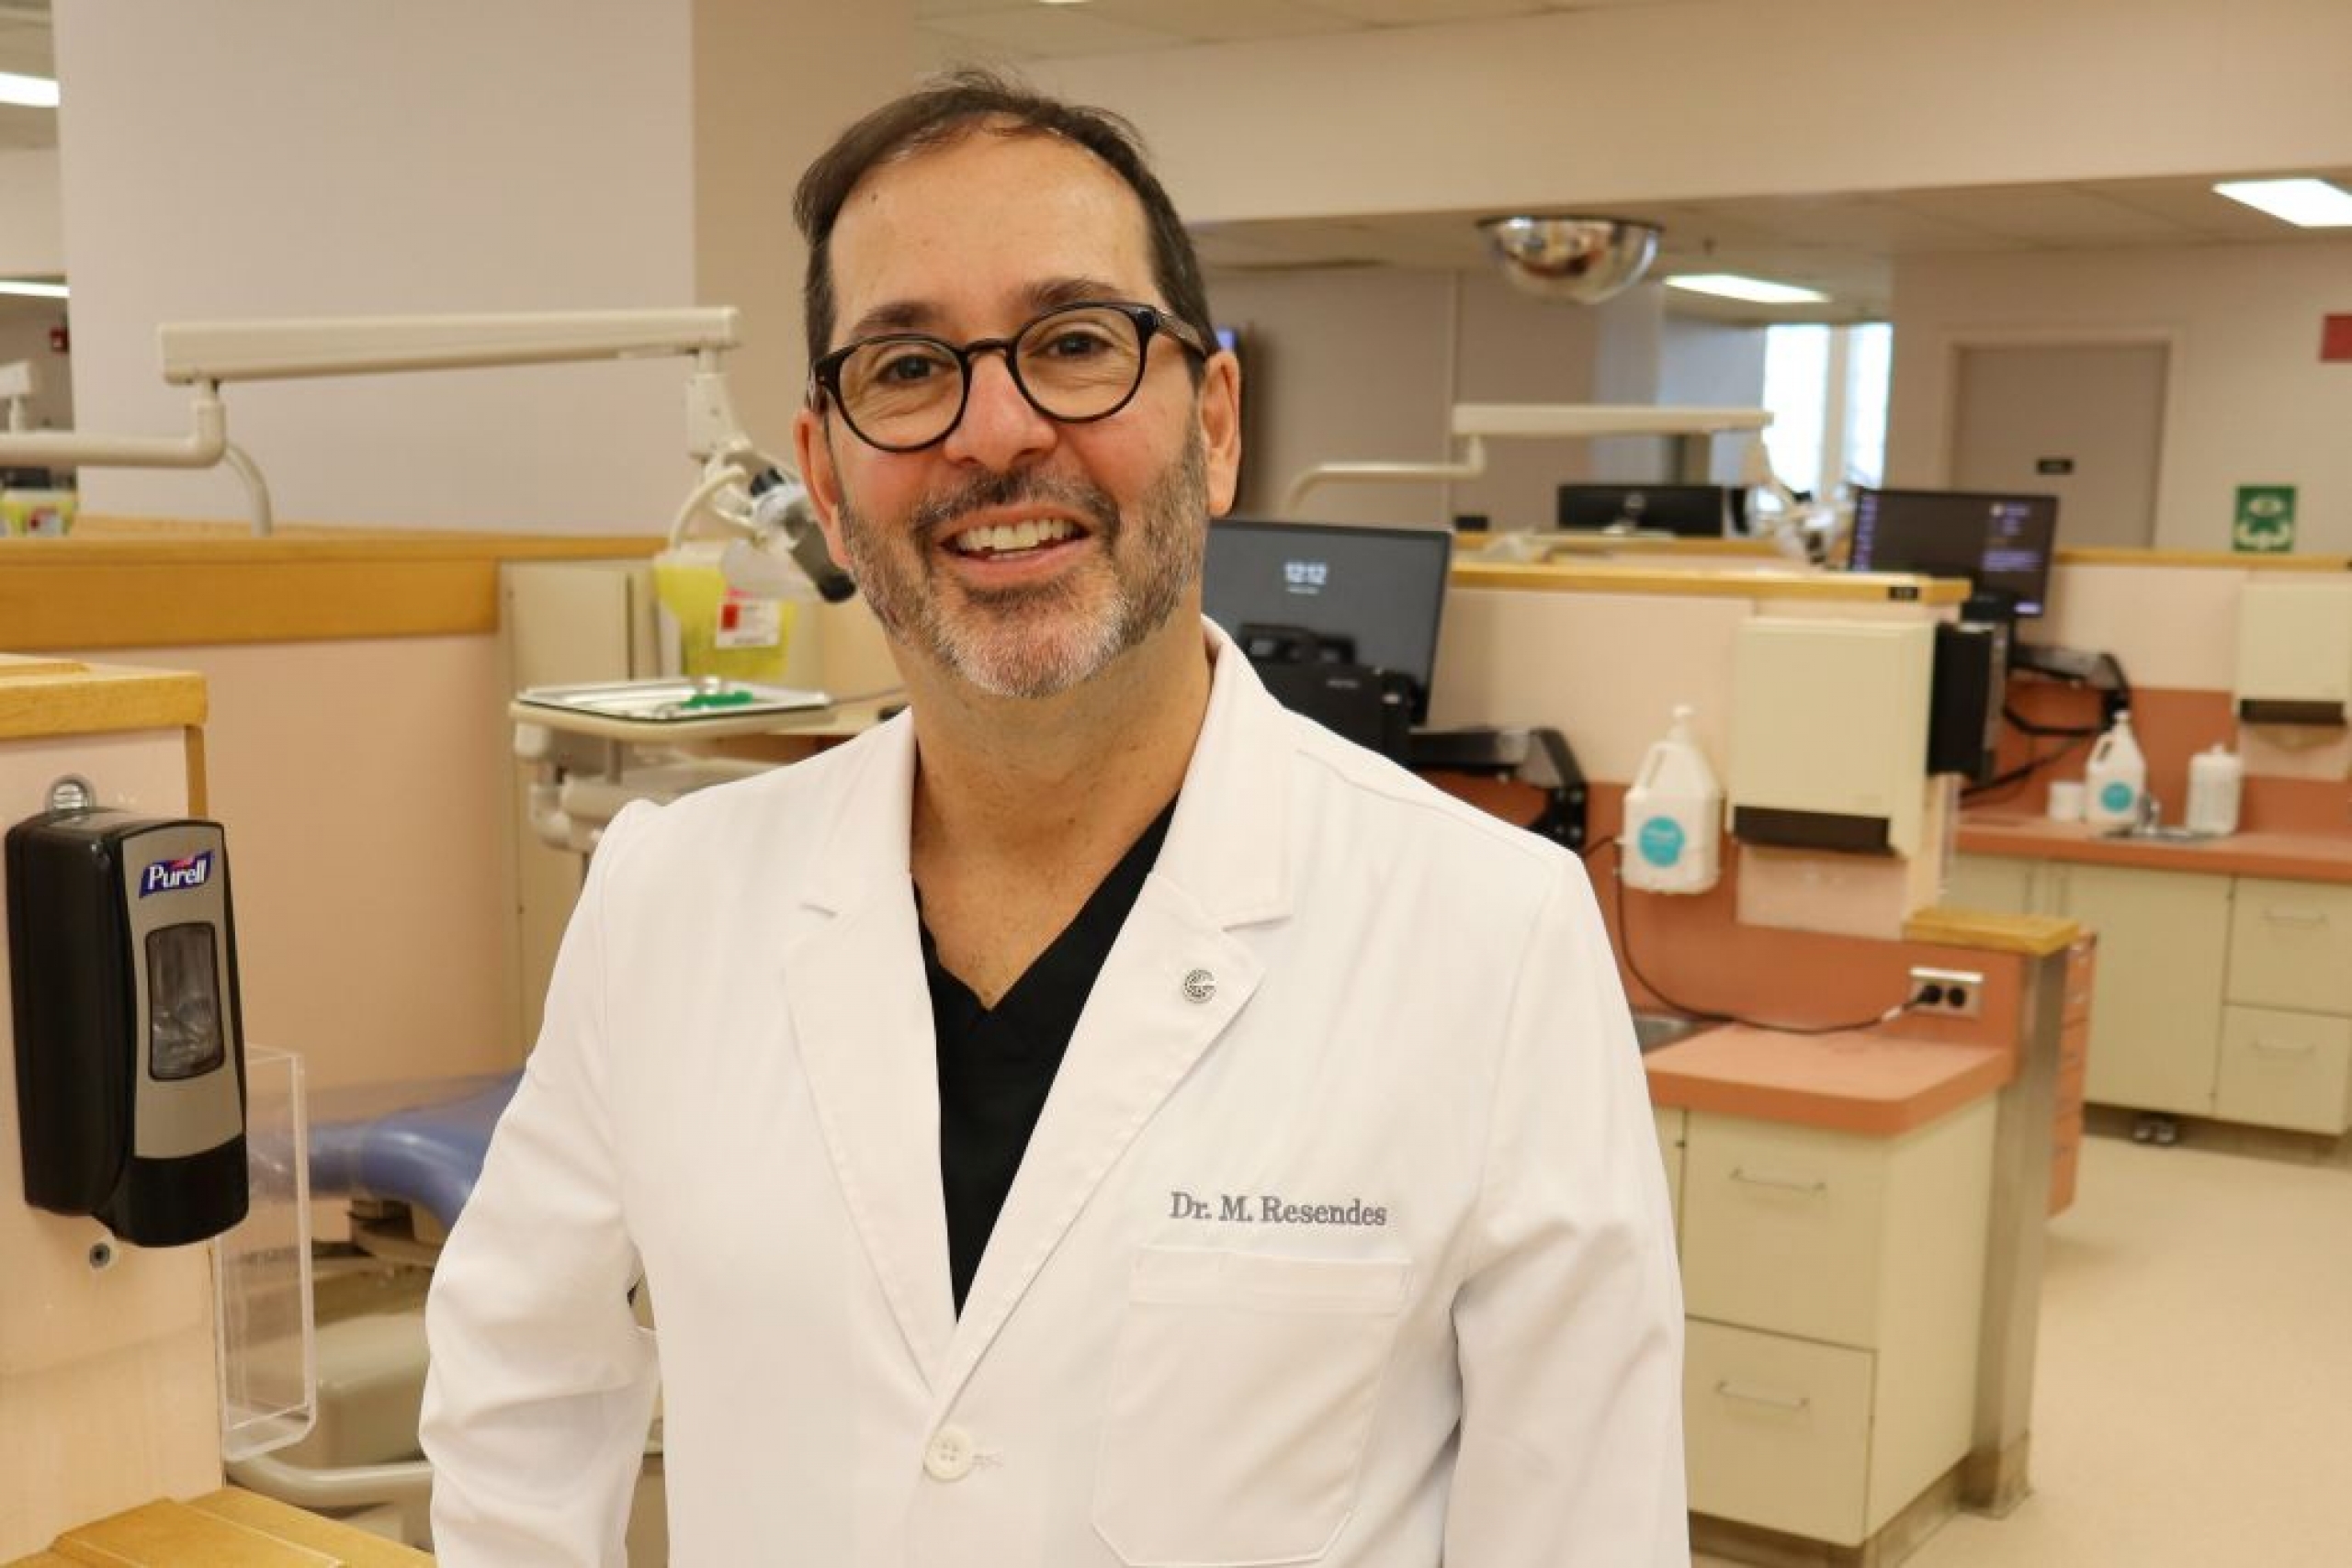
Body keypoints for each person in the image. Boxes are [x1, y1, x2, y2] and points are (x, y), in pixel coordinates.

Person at [421, 70, 1687, 1566]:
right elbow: (519, 1388)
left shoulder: (1494, 935)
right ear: (824, 477)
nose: (995, 430)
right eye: (904, 368)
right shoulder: (665, 899)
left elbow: (1578, 1530)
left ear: (1214, 423)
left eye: (1076, 343)